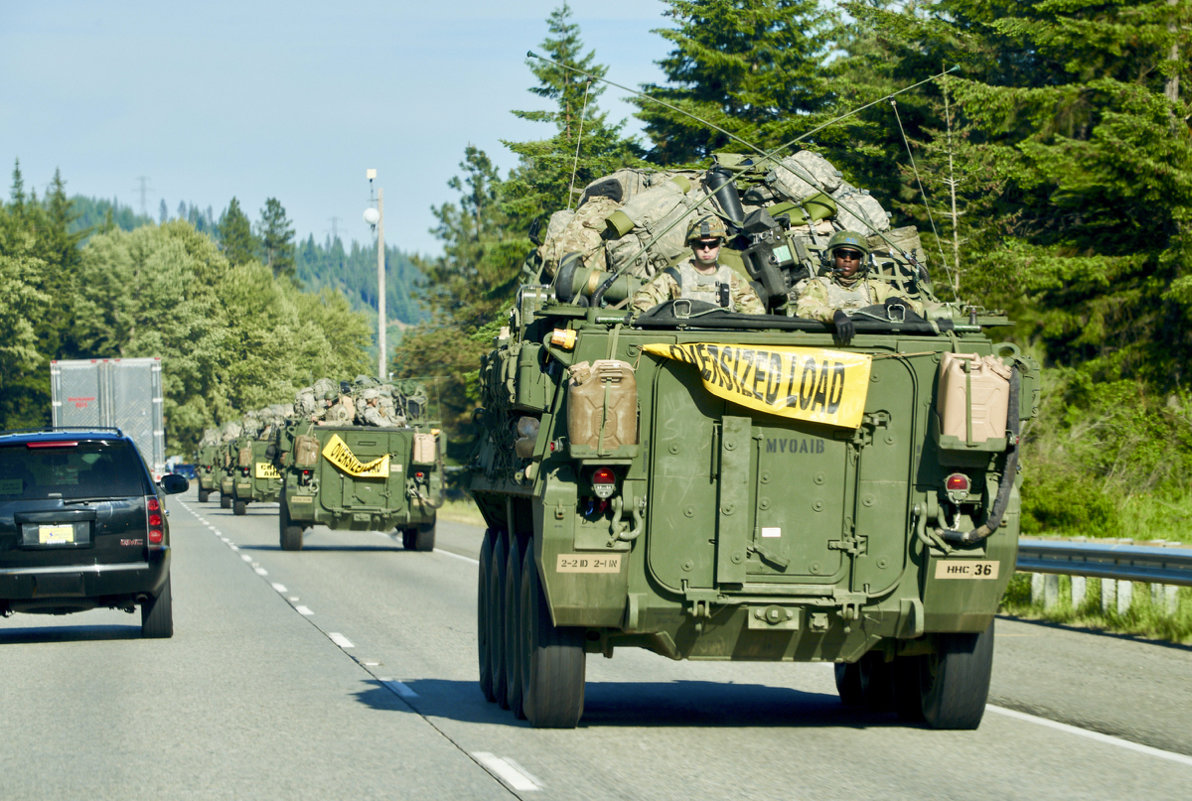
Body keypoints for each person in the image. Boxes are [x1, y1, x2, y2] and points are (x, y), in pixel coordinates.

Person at [795, 230, 923, 344]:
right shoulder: (819, 285)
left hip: (871, 346)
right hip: (831, 344)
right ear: (832, 258)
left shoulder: (874, 288)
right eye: (842, 255)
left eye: (854, 256)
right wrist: (834, 315)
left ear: (862, 261)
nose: (848, 260)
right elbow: (804, 309)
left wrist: (903, 305)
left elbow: (918, 309)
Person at [631, 216, 765, 314]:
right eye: (701, 245)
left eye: (712, 244)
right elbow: (642, 302)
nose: (706, 249)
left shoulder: (732, 278)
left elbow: (755, 315)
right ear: (692, 246)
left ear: (720, 245)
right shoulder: (675, 277)